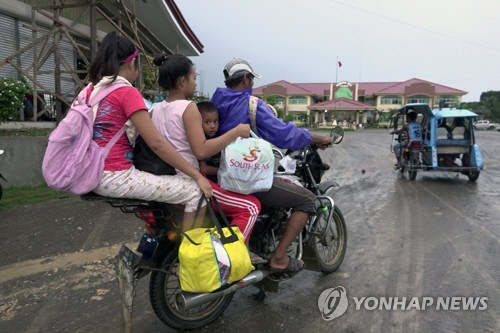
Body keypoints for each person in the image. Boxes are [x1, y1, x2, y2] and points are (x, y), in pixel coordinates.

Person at [211, 58, 333, 276]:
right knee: (307, 200)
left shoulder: (215, 102)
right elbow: (283, 133)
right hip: (243, 177)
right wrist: (315, 138)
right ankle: (278, 258)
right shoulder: (251, 105)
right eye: (251, 80)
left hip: (217, 174)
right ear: (247, 79)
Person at [87, 32, 212, 228]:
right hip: (116, 175)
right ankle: (188, 253)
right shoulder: (127, 92)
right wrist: (197, 176)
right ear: (131, 64)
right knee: (196, 192)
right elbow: (156, 143)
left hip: (93, 170)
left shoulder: (93, 90)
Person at [149, 54, 260, 243]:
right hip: (189, 181)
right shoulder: (188, 107)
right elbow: (201, 150)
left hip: (168, 180)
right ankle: (229, 259)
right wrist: (236, 132)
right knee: (251, 206)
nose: (195, 83)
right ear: (182, 80)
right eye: (194, 78)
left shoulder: (156, 109)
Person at [197, 101, 262, 249]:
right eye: (207, 122)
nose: (212, 126)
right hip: (203, 184)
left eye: (215, 121)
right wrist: (227, 170)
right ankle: (232, 255)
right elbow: (204, 169)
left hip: (202, 183)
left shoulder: (209, 139)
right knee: (251, 207)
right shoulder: (202, 141)